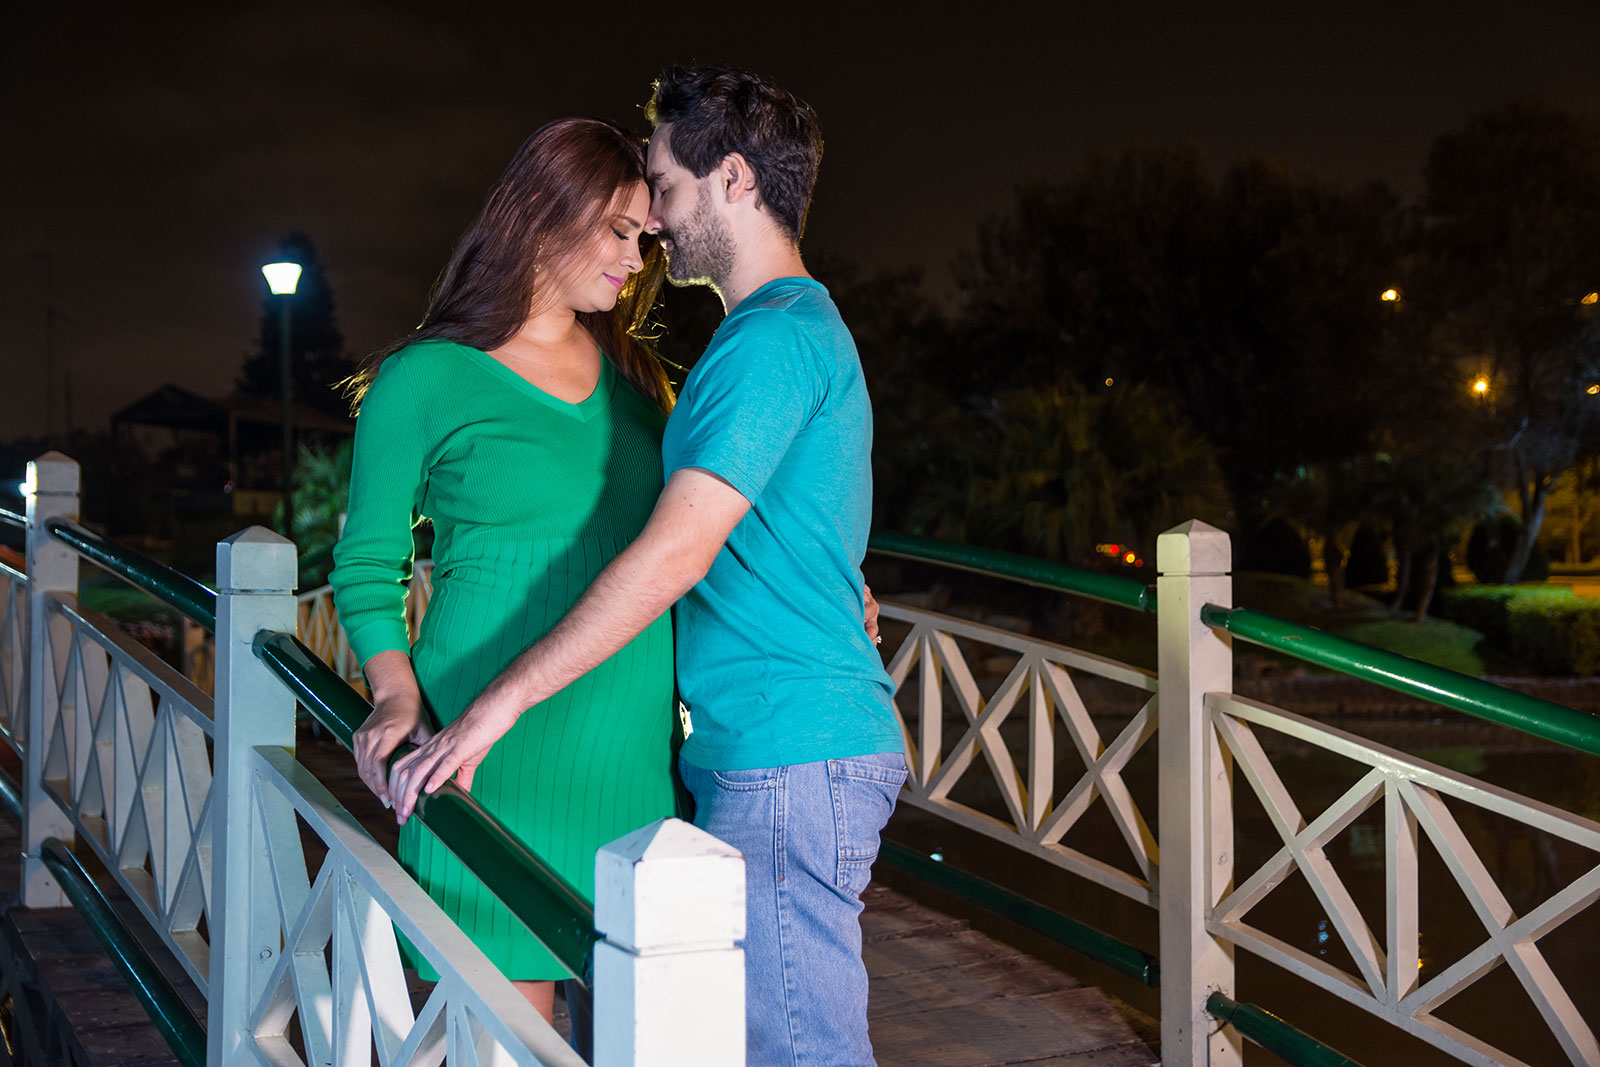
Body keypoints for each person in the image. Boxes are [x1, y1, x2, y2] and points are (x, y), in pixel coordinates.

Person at [388, 67, 906, 1065]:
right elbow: (765, 525)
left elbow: (673, 550)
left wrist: (497, 703)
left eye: (666, 185)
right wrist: (834, 593)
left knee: (797, 1050)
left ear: (736, 181)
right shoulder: (777, 336)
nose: (656, 221)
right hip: (772, 740)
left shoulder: (771, 342)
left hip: (790, 750)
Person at [328, 117, 679, 1034]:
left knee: (646, 1039)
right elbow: (368, 564)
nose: (635, 258)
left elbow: (687, 542)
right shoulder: (425, 377)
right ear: (538, 213)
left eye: (644, 236)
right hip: (485, 755)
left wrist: (837, 598)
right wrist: (393, 694)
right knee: (500, 1048)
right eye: (615, 229)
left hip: (633, 762)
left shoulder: (637, 380)